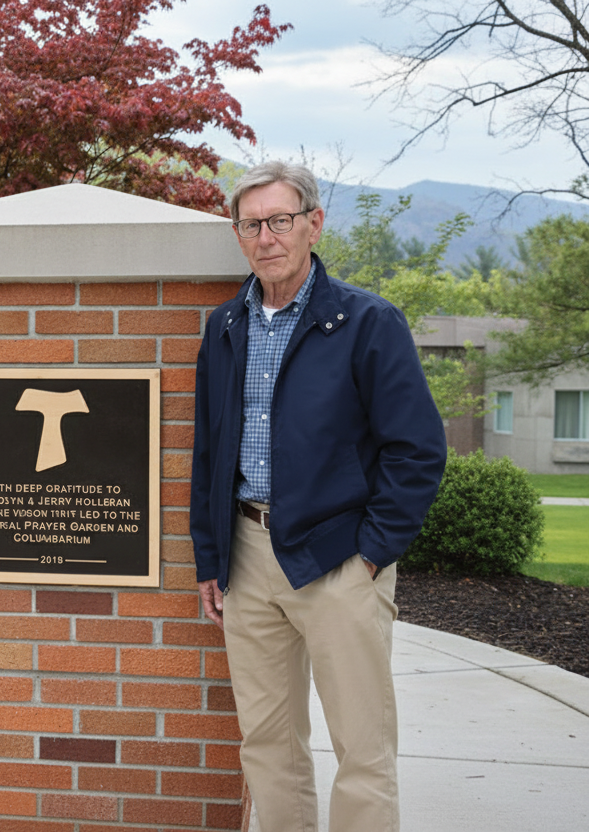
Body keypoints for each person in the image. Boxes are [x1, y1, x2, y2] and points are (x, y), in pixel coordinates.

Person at [190, 161, 446, 832]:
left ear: (313, 224)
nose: (266, 237)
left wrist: (372, 554)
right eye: (252, 224)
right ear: (238, 232)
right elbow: (211, 453)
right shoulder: (224, 328)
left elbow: (417, 450)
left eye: (280, 220)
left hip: (339, 558)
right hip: (247, 556)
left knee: (361, 748)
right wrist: (210, 557)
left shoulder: (366, 322)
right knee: (268, 745)